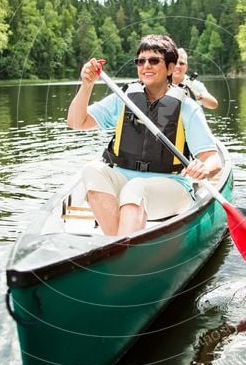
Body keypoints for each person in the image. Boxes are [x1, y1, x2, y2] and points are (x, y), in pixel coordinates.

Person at [66, 34, 222, 236]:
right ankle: (121, 247)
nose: (146, 65)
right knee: (92, 170)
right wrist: (86, 86)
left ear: (171, 67)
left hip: (172, 188)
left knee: (136, 188)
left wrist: (204, 168)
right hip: (125, 181)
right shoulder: (123, 99)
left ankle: (120, 250)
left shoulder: (187, 108)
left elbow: (213, 159)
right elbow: (76, 122)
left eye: (154, 60)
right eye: (141, 61)